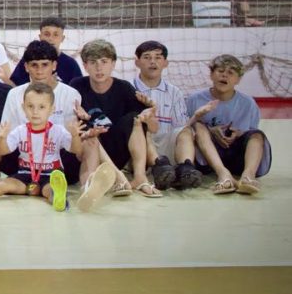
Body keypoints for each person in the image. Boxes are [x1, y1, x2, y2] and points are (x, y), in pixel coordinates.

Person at [0, 82, 107, 211]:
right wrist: (2, 138)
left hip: (51, 174)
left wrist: (74, 136)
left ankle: (58, 198)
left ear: (52, 109)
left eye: (41, 107)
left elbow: (76, 150)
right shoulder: (20, 130)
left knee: (50, 189)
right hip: (25, 173)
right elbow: (4, 150)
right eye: (30, 106)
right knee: (5, 185)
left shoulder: (58, 131)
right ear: (23, 108)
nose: (35, 112)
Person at [69, 40, 159, 197]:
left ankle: (139, 177)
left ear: (113, 64)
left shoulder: (124, 88)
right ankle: (113, 177)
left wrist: (151, 113)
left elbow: (153, 129)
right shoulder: (77, 86)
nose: (99, 68)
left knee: (134, 119)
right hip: (92, 152)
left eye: (104, 62)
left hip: (117, 150)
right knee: (84, 125)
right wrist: (78, 114)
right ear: (85, 66)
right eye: (93, 62)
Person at [182, 54, 271, 195]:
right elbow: (182, 131)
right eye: (220, 71)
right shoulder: (195, 99)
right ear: (211, 75)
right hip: (206, 157)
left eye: (230, 72)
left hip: (236, 156)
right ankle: (223, 174)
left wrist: (238, 133)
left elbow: (250, 132)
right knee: (199, 126)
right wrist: (208, 129)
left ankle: (248, 176)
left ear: (238, 79)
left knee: (257, 135)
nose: (224, 75)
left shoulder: (248, 103)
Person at [130, 40, 188, 190]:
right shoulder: (128, 88)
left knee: (186, 131)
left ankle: (186, 171)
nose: (152, 62)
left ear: (165, 63)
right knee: (143, 131)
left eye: (158, 57)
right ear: (137, 62)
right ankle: (159, 168)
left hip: (166, 145)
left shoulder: (175, 92)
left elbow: (181, 126)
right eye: (147, 57)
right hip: (138, 149)